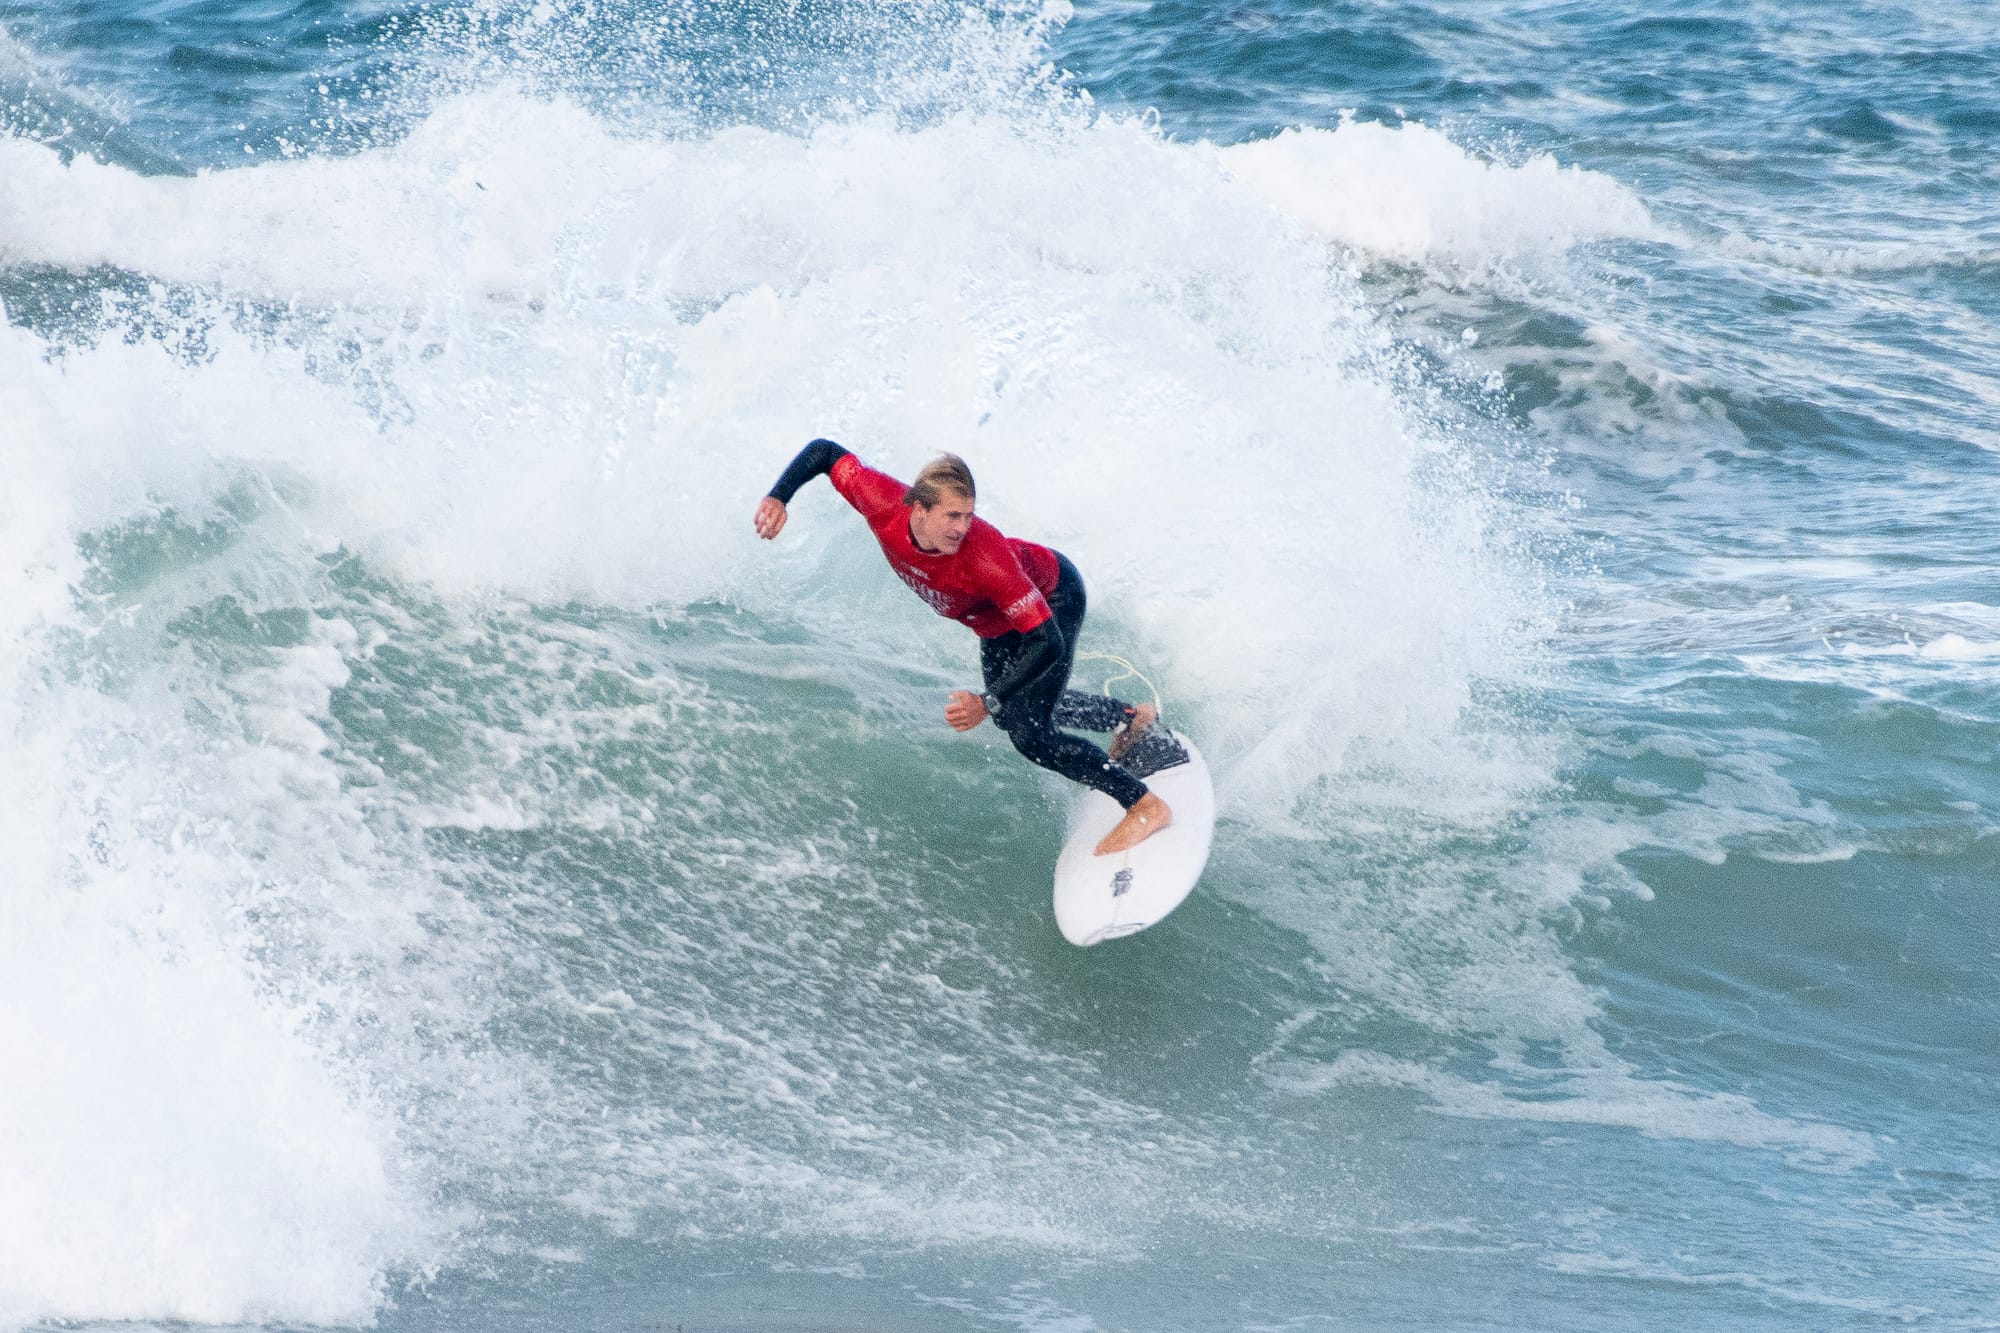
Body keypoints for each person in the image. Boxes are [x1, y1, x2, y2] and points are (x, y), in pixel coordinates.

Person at [752, 438, 1172, 855]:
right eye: (952, 516)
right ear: (918, 508)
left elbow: (1048, 643)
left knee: (1031, 733)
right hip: (994, 622)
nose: (961, 528)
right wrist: (779, 496)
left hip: (1053, 600)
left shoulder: (984, 557)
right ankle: (1129, 718)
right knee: (1016, 712)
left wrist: (986, 702)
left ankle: (1143, 805)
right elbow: (826, 453)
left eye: (968, 516)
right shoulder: (880, 501)